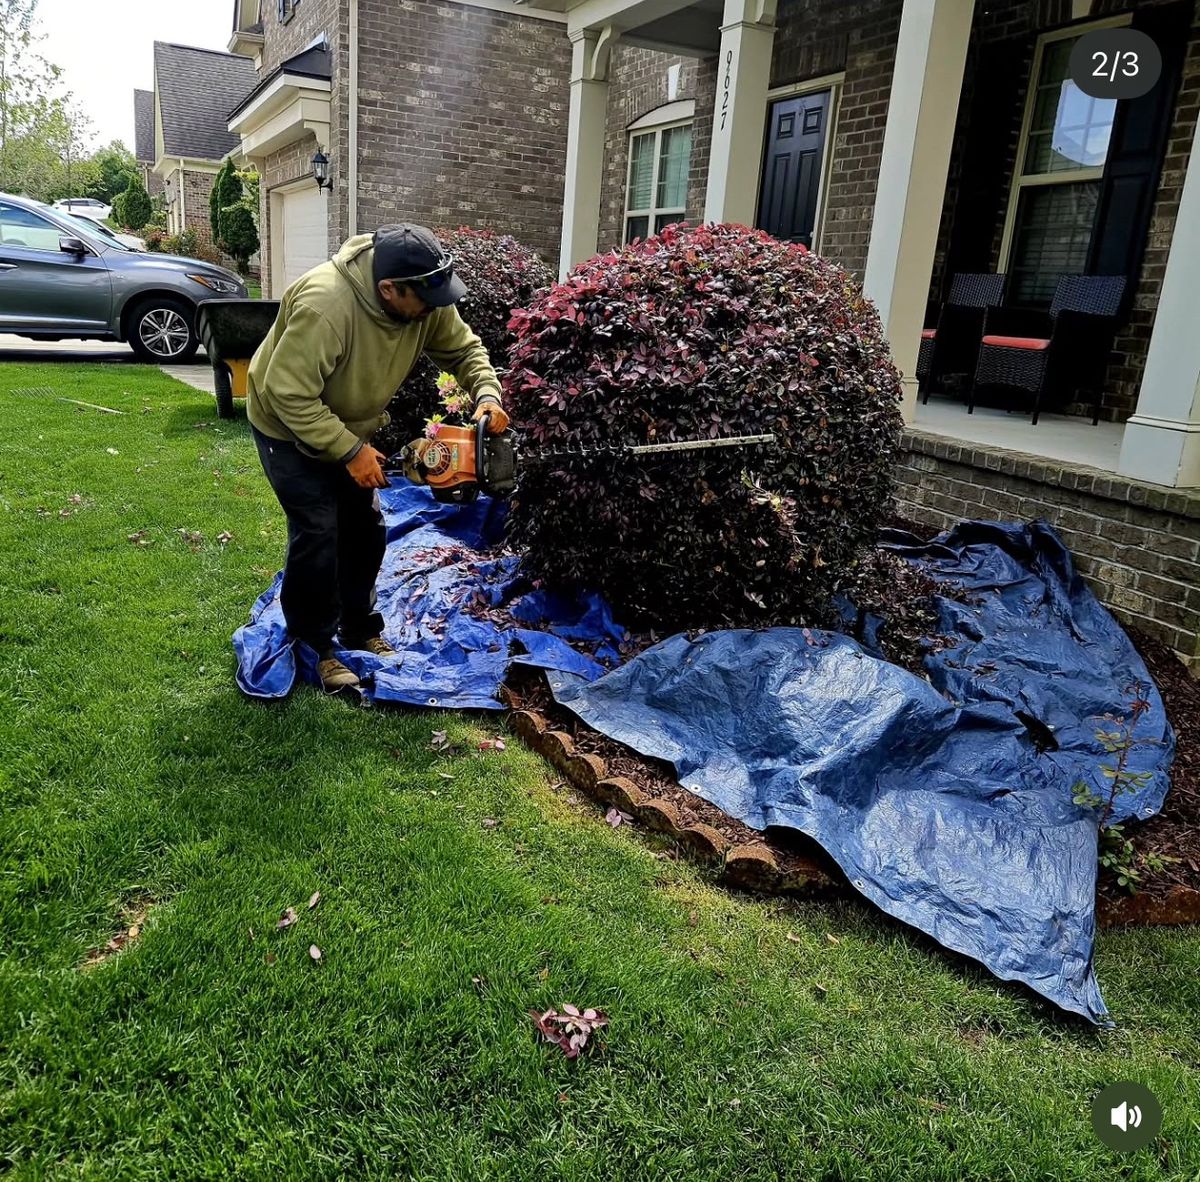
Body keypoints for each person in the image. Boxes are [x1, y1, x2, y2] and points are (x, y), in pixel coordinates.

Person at [246, 223, 510, 692]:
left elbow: (464, 349)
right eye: (425, 300)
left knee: (365, 528)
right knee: (318, 531)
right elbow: (287, 393)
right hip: (285, 426)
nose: (434, 308)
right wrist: (350, 451)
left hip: (348, 425)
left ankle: (359, 627)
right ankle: (316, 645)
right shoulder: (325, 305)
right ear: (389, 289)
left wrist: (487, 393)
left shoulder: (424, 296)